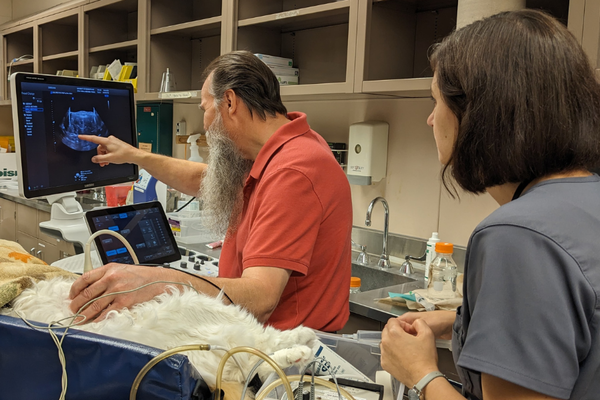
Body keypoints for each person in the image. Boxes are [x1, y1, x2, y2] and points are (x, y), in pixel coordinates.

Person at [379, 10, 600, 400]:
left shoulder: (517, 237)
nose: (431, 120)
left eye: (436, 102)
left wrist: (421, 373)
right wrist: (459, 321)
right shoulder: (585, 200)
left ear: (479, 114)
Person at [68, 50, 352, 332]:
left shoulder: (293, 171)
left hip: (285, 357)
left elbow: (261, 297)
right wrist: (136, 156)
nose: (205, 125)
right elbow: (206, 179)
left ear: (229, 101)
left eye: (204, 109)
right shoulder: (283, 148)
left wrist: (154, 282)